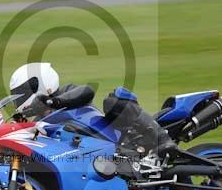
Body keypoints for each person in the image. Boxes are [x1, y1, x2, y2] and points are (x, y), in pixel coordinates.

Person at [9, 62, 176, 158]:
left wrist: (53, 102)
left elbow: (87, 90)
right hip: (90, 158)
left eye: (23, 93)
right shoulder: (39, 123)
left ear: (42, 82)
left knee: (113, 100)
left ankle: (161, 138)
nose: (21, 98)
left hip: (119, 137)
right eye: (17, 95)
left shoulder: (67, 92)